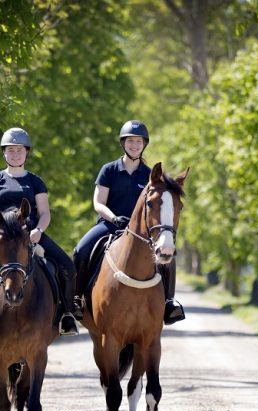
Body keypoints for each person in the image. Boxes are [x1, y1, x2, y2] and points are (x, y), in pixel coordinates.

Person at [0, 127, 78, 344]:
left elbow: (44, 213)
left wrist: (38, 231)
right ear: (4, 153)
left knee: (67, 267)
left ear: (26, 153)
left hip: (29, 234)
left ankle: (67, 315)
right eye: (10, 150)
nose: (15, 154)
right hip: (2, 236)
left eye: (19, 150)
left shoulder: (35, 182)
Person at [72, 120, 184, 324]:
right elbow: (98, 203)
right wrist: (114, 217)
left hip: (140, 231)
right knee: (81, 250)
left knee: (169, 256)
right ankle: (76, 300)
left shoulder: (150, 175)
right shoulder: (109, 170)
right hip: (109, 224)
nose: (134, 145)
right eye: (130, 141)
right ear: (123, 143)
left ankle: (169, 302)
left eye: (138, 141)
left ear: (144, 144)